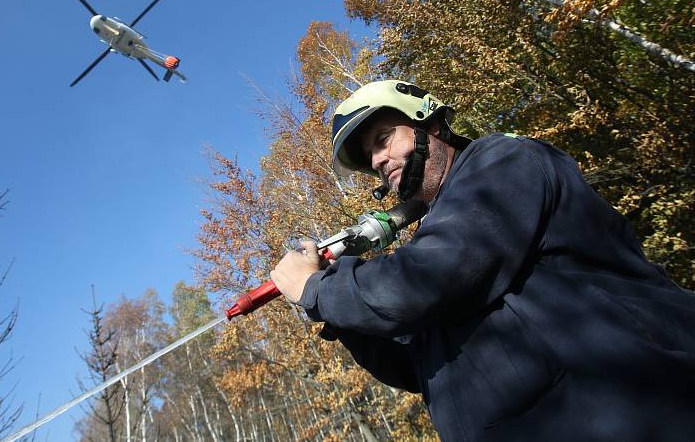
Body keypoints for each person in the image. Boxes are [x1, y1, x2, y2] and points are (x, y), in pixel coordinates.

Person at [270, 79, 695, 442]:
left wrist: (319, 288)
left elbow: (429, 280)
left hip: (628, 413)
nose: (378, 161)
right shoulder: (438, 237)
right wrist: (337, 314)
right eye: (370, 158)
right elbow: (416, 365)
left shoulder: (501, 164)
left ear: (431, 124)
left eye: (383, 139)